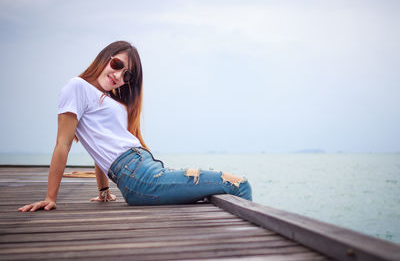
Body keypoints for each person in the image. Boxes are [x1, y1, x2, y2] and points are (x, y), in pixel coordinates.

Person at [18, 41, 252, 212]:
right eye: (116, 64)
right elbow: (63, 143)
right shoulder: (76, 87)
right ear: (105, 57)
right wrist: (50, 197)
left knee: (222, 187)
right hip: (138, 177)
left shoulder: (111, 101)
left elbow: (101, 145)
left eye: (126, 75)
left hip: (145, 167)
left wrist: (103, 191)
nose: (118, 75)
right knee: (238, 184)